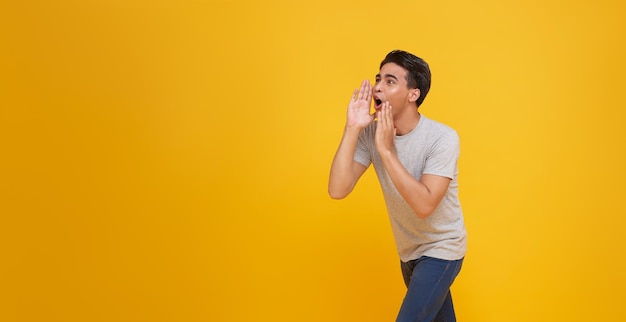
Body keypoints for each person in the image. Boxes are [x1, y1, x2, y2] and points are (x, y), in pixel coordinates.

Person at [328, 50, 467, 322]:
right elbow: (338, 189)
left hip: (442, 249)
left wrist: (387, 152)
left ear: (413, 94)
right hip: (409, 252)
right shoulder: (371, 133)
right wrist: (352, 128)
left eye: (390, 81)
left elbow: (425, 205)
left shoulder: (442, 138)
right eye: (378, 79)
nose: (378, 86)